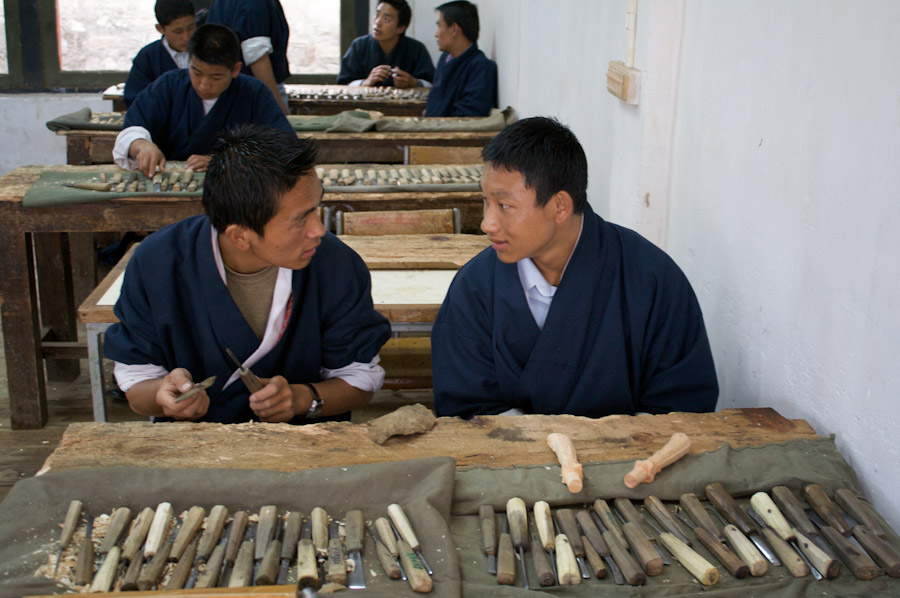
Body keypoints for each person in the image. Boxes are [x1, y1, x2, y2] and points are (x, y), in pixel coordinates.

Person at [431, 117, 719, 418]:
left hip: (631, 461)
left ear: (560, 207)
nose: (486, 223)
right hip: (509, 461)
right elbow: (463, 408)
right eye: (485, 201)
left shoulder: (652, 279)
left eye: (504, 206)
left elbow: (683, 408)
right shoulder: (475, 286)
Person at [104, 124, 392, 425]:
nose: (318, 229)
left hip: (307, 450)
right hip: (194, 451)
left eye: (316, 207)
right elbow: (137, 384)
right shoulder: (159, 262)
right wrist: (162, 395)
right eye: (299, 220)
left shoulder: (336, 264)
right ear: (240, 236)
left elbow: (360, 382)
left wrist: (301, 398)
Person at [113, 23, 293, 177]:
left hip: (235, 190)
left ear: (236, 69)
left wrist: (229, 161)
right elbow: (133, 128)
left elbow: (284, 146)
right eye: (196, 73)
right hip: (173, 182)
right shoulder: (168, 85)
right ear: (189, 61)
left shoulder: (254, 93)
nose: (204, 86)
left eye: (216, 77)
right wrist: (142, 146)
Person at [207, 0, 290, 114]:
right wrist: (276, 106)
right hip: (254, 93)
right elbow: (256, 55)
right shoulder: (253, 3)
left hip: (230, 92)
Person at [336, 0, 435, 89]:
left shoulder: (416, 49)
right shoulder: (359, 46)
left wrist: (414, 82)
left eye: (386, 19)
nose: (378, 22)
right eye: (377, 14)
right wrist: (365, 82)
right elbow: (343, 84)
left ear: (400, 28)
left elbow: (433, 84)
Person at [424, 1, 497, 117]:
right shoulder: (445, 59)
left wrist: (435, 115)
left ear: (454, 29)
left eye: (439, 26)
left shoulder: (481, 67)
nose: (436, 34)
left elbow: (471, 113)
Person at [123, 0, 197, 109]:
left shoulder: (208, 49)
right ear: (160, 29)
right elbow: (135, 100)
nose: (186, 37)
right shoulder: (147, 57)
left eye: (190, 28)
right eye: (178, 31)